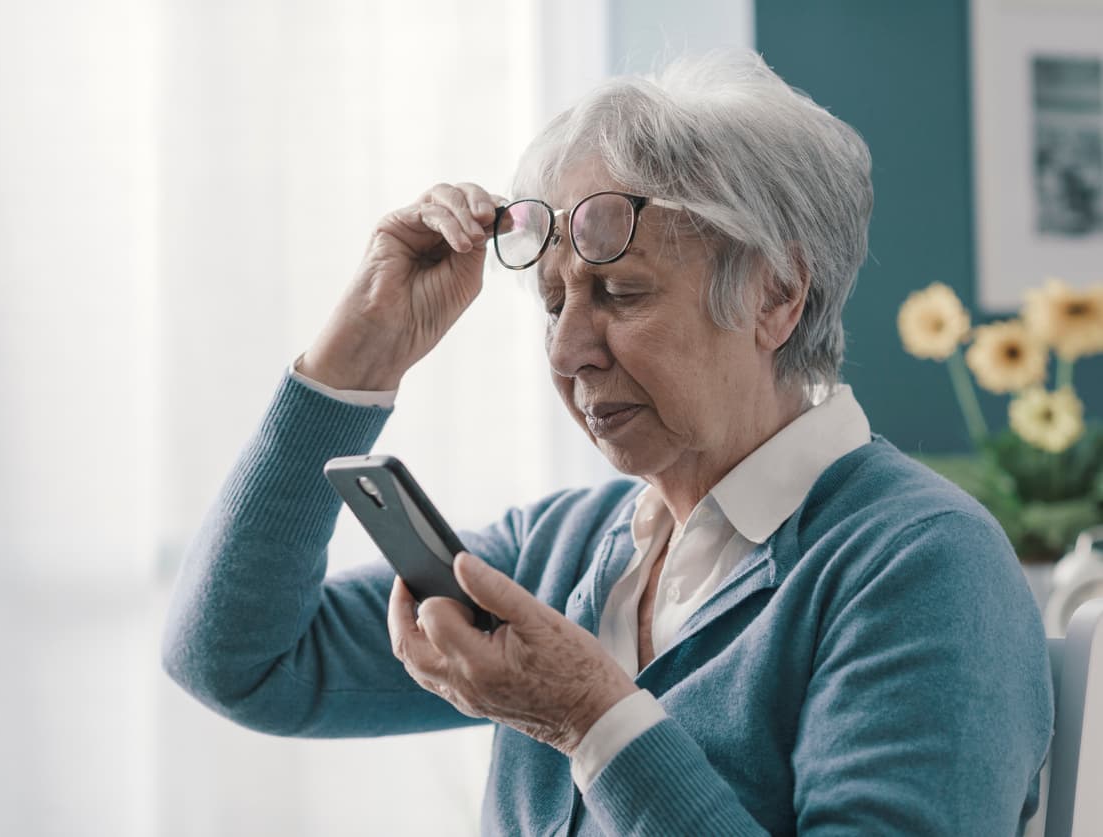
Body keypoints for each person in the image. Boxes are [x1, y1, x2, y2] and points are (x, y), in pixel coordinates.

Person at [161, 49, 1053, 835]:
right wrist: (357, 354)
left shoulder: (923, 566)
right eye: (553, 302)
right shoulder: (562, 549)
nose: (564, 350)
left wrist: (593, 720)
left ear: (776, 297)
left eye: (620, 293)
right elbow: (236, 660)